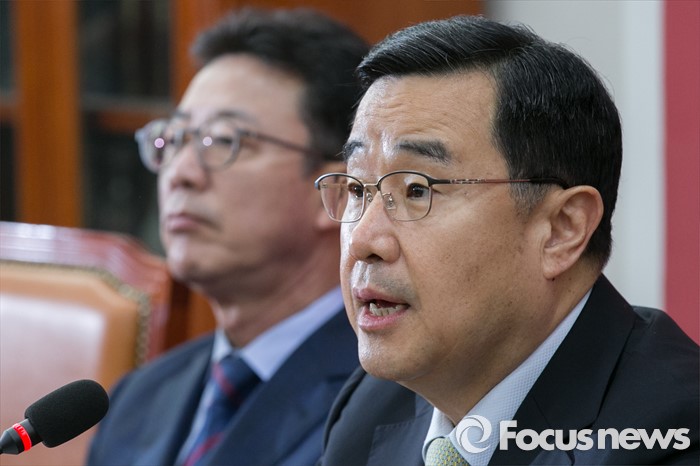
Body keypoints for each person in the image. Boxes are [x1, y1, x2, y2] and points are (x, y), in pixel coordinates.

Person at [316, 15, 699, 466]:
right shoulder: (370, 408)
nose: (362, 240)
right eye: (358, 189)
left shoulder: (673, 436)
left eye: (417, 190)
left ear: (562, 229)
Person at [87, 7, 369, 466]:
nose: (180, 173)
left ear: (337, 192)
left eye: (224, 141)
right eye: (174, 139)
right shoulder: (136, 400)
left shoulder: (387, 406)